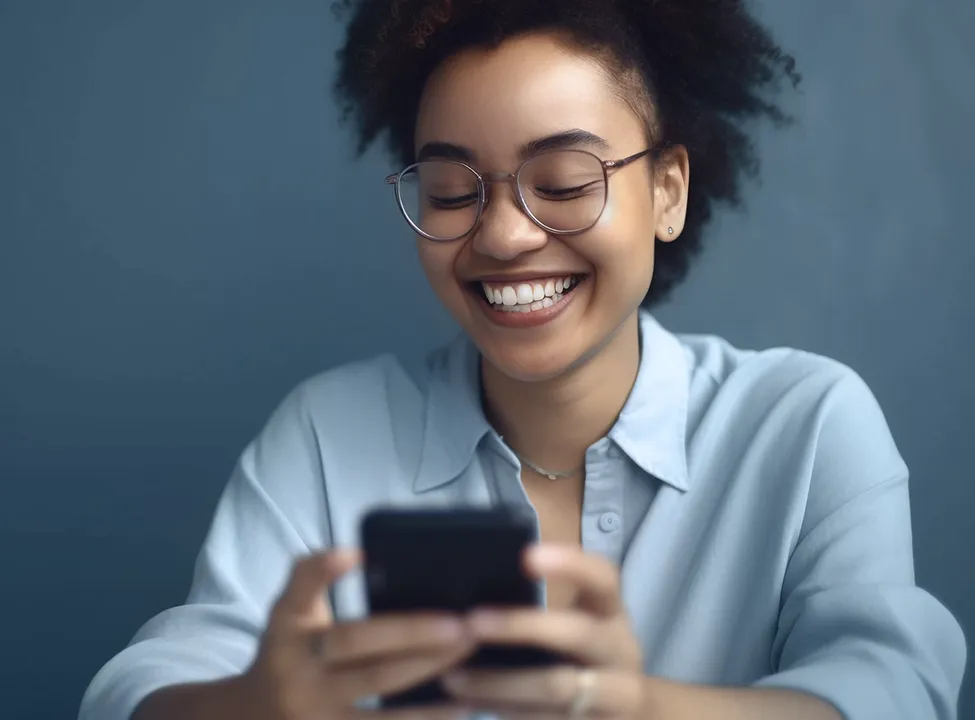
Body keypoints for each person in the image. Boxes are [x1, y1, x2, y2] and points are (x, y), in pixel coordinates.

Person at [80, 0, 967, 718]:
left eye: (566, 183)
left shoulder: (804, 423)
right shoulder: (325, 434)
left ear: (666, 191)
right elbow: (138, 686)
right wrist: (256, 705)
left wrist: (640, 710)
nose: (502, 235)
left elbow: (892, 688)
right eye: (450, 191)